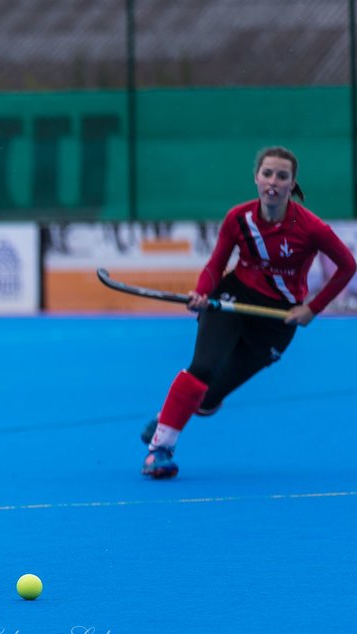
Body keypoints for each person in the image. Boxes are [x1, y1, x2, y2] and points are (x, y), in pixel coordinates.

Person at [140, 145, 356, 478]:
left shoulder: (311, 228)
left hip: (277, 319)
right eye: (267, 173)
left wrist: (312, 308)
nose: (273, 181)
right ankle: (160, 449)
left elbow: (347, 265)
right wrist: (201, 291)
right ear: (256, 178)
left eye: (282, 176)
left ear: (291, 183)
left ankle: (167, 415)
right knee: (202, 369)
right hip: (232, 299)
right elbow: (216, 264)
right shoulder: (238, 218)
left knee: (209, 399)